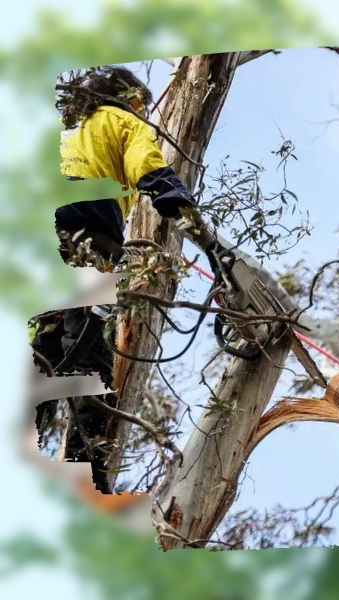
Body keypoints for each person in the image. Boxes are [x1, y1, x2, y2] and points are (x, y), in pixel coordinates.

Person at [29, 64, 196, 494]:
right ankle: (87, 478)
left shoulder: (66, 129)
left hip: (39, 234)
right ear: (128, 99)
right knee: (88, 361)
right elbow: (144, 162)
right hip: (90, 233)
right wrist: (172, 197)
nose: (142, 113)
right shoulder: (119, 120)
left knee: (42, 345)